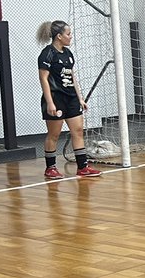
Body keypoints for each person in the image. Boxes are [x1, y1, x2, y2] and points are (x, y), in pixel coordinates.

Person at [37, 20, 100, 180]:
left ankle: (82, 167)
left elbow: (72, 76)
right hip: (55, 99)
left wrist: (80, 98)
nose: (71, 37)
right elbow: (44, 79)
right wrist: (50, 102)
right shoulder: (47, 54)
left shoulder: (68, 54)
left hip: (71, 99)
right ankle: (50, 168)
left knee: (78, 131)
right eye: (68, 34)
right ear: (59, 36)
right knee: (54, 135)